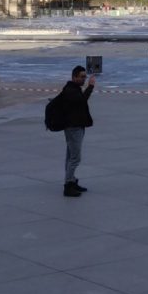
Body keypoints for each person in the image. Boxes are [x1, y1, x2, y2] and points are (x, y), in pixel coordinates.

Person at [59, 65, 95, 198]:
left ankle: (72, 181)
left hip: (76, 126)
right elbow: (82, 101)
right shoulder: (70, 90)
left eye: (85, 77)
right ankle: (68, 185)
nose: (84, 79)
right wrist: (90, 87)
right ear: (74, 77)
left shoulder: (74, 89)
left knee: (70, 157)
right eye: (81, 77)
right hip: (73, 128)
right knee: (75, 158)